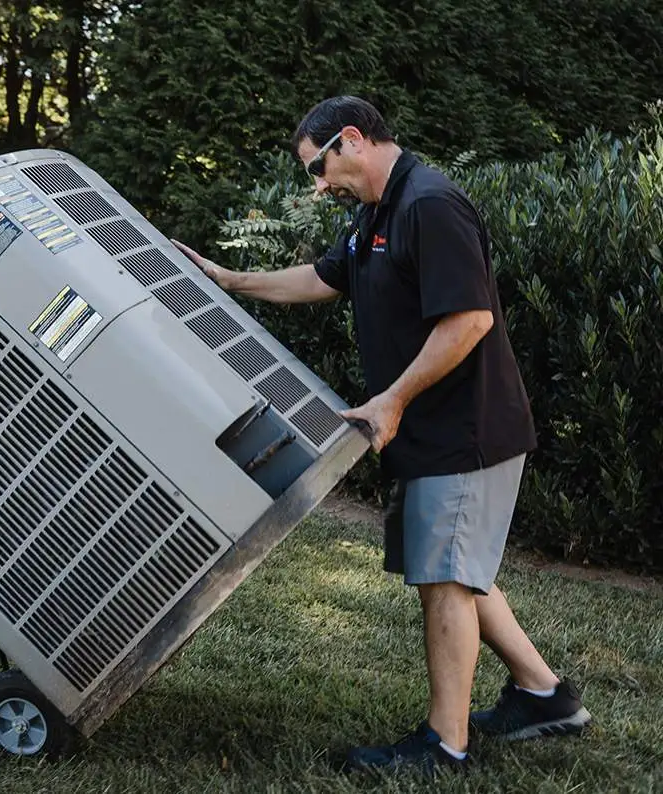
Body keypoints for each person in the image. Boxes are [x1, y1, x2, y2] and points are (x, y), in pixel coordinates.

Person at [173, 95, 591, 773]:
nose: (318, 184)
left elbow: (469, 322)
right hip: (429, 428)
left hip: (466, 428)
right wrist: (229, 279)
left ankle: (444, 745)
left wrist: (392, 399)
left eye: (319, 167)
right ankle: (545, 696)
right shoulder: (378, 209)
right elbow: (323, 277)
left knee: (447, 579)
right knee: (454, 568)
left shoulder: (429, 204)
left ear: (350, 140)